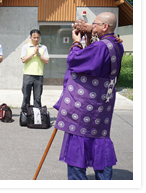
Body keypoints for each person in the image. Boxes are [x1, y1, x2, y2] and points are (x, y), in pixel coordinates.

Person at [53, 12, 124, 180]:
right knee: (99, 138)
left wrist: (77, 43)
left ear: (105, 26)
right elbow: (95, 64)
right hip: (102, 105)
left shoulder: (100, 47)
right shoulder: (117, 45)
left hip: (84, 105)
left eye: (95, 23)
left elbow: (76, 62)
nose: (92, 26)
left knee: (79, 139)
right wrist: (89, 38)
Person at [20, 29, 49, 112]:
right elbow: (23, 60)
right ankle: (25, 114)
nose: (36, 39)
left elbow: (46, 61)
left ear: (40, 38)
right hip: (27, 74)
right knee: (26, 96)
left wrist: (38, 54)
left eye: (38, 37)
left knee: (37, 97)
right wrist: (33, 53)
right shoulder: (25, 47)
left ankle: (37, 116)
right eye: (34, 37)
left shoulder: (43, 47)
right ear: (30, 37)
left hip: (39, 75)